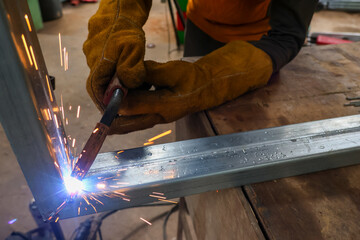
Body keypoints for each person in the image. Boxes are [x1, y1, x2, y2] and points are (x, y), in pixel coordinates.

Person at [83, 0, 318, 134]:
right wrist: (117, 22)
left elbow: (286, 36)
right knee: (191, 121)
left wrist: (208, 78)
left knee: (249, 132)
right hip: (201, 25)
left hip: (260, 41)